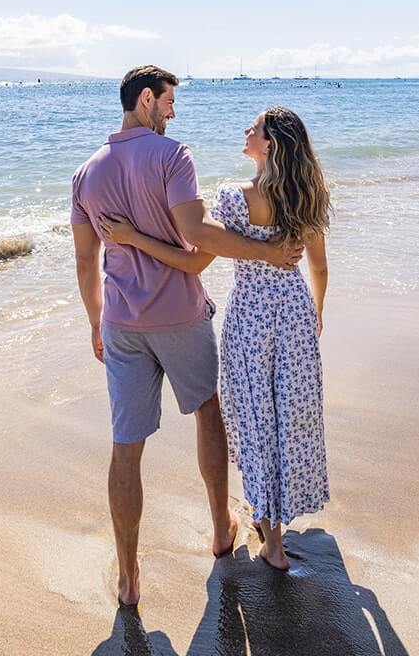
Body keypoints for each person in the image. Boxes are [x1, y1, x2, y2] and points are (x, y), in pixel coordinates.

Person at [71, 67, 303, 606]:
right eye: (169, 101)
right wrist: (268, 251)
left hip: (121, 323)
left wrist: (94, 321)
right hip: (179, 314)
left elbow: (86, 260)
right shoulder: (172, 156)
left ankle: (129, 578)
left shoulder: (85, 172)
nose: (173, 112)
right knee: (207, 412)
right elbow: (198, 237)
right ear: (146, 99)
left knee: (125, 447)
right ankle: (221, 530)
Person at [101, 106, 330, 572]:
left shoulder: (233, 197)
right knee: (291, 420)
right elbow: (319, 268)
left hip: (249, 320)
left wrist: (132, 237)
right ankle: (275, 539)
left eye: (255, 128)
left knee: (254, 421)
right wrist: (316, 315)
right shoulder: (307, 196)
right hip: (295, 315)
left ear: (270, 145)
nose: (247, 131)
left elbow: (191, 263)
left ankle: (273, 542)